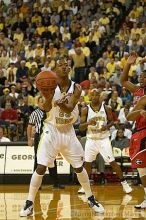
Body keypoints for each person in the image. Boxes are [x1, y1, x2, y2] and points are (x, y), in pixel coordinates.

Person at [20, 58, 104, 217]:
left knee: (79, 167)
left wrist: (59, 103)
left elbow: (70, 108)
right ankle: (29, 202)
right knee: (41, 167)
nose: (64, 66)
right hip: (51, 130)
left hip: (69, 131)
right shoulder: (49, 85)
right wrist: (50, 98)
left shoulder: (77, 88)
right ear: (55, 69)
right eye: (61, 65)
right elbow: (45, 108)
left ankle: (91, 199)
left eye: (67, 64)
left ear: (70, 68)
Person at [78, 88, 132, 194]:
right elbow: (80, 127)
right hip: (91, 139)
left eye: (96, 95)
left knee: (112, 161)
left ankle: (124, 184)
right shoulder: (85, 110)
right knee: (87, 163)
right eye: (92, 95)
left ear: (100, 96)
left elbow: (112, 121)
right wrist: (88, 123)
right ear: (89, 97)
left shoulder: (106, 108)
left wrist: (106, 126)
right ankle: (84, 186)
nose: (94, 97)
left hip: (103, 139)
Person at [27, 96, 65, 189]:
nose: (43, 103)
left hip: (51, 137)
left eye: (44, 101)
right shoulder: (35, 113)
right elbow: (29, 126)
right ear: (38, 103)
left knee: (52, 159)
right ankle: (36, 184)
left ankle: (56, 183)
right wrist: (29, 139)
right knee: (38, 160)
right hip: (40, 137)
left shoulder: (51, 111)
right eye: (41, 102)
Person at [127, 95, 146, 209]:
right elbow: (129, 117)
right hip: (142, 134)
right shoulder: (144, 99)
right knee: (142, 168)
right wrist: (141, 111)